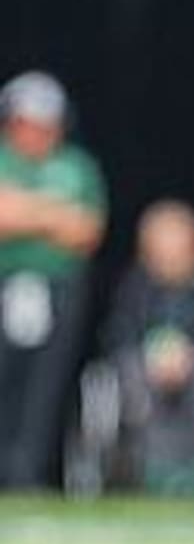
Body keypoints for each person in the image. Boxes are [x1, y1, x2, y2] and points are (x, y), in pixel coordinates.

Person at [81, 199, 194, 495]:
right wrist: (152, 358)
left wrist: (189, 357)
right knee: (127, 379)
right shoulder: (133, 287)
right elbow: (118, 337)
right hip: (141, 373)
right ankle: (136, 469)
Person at [0, 71, 106, 489]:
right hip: (6, 282)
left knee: (44, 389)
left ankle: (26, 476)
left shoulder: (75, 166)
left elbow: (86, 229)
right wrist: (52, 213)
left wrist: (23, 210)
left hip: (60, 290)